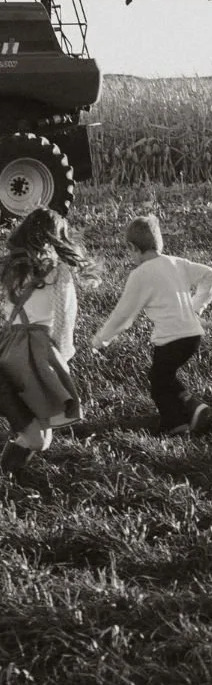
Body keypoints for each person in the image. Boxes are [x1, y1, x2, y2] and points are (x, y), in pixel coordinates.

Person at [91, 212, 212, 435]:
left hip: (171, 338)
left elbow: (123, 314)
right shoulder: (177, 263)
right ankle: (181, 417)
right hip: (193, 335)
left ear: (132, 247)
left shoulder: (140, 274)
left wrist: (102, 339)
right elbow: (210, 274)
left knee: (159, 382)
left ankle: (183, 416)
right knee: (163, 377)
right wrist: (196, 306)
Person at [0, 207, 86, 483]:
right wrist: (62, 360)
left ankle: (9, 480)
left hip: (7, 351)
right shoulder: (59, 273)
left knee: (40, 438)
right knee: (36, 438)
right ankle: (7, 481)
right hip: (34, 357)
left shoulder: (8, 267)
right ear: (57, 237)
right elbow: (64, 321)